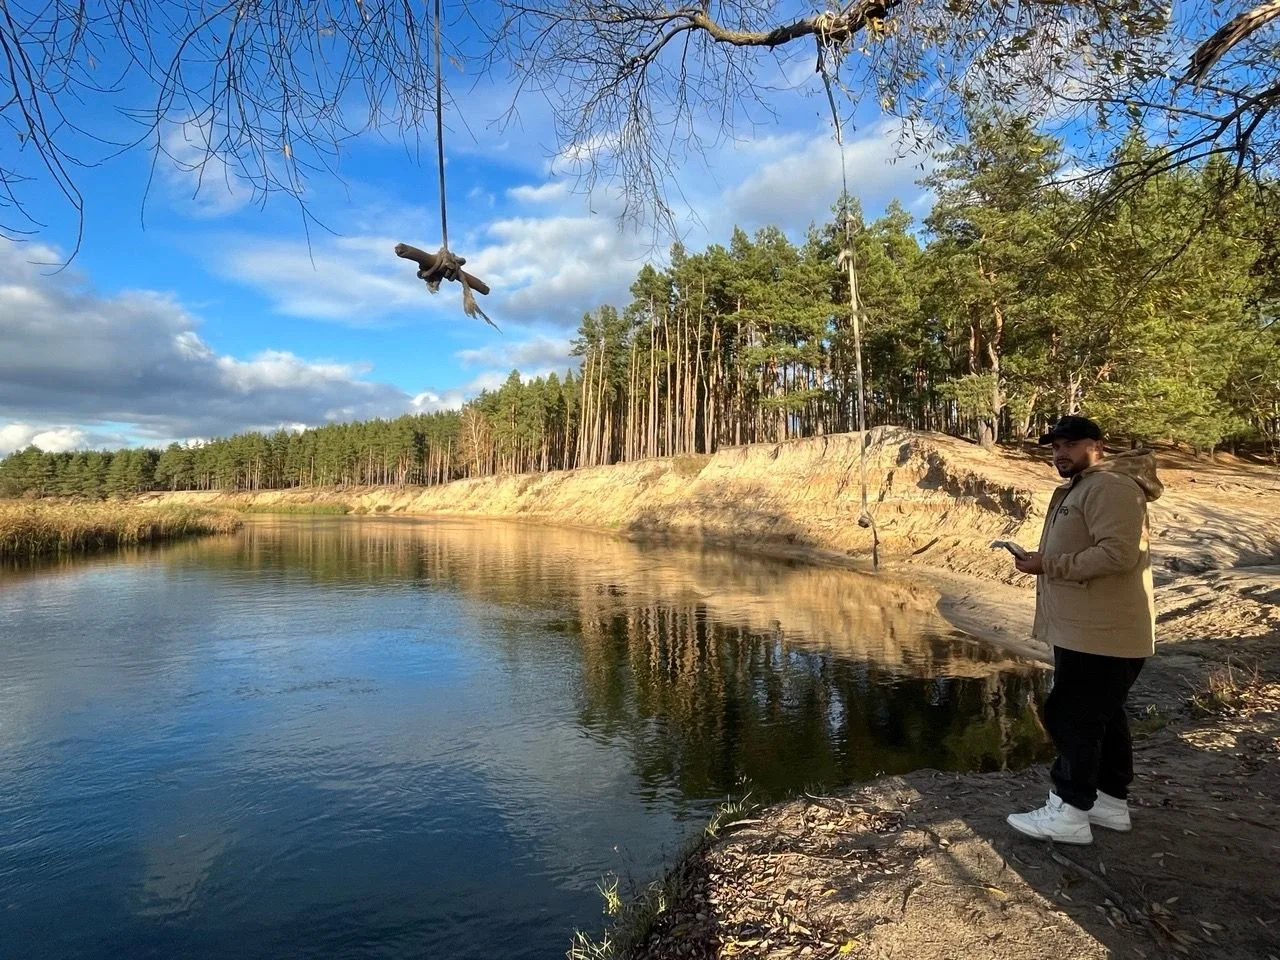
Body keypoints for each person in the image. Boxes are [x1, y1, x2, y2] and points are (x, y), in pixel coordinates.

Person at [1006, 415, 1163, 845]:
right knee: (1103, 717)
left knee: (1073, 717)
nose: (1060, 453)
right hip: (1089, 629)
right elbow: (1088, 548)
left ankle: (1069, 812)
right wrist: (1044, 558)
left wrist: (1049, 564)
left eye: (1070, 444)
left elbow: (1117, 555)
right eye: (1056, 446)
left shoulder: (1110, 486)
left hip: (1101, 631)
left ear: (1098, 445)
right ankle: (1109, 803)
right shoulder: (1085, 486)